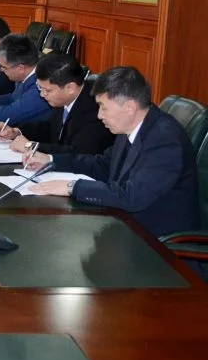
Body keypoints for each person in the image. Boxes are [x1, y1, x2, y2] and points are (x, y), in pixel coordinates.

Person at [26, 66, 200, 238]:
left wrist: (72, 187)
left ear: (130, 107)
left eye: (104, 107)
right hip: (125, 223)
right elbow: (102, 165)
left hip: (155, 240)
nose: (99, 115)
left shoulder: (165, 139)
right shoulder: (131, 126)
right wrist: (51, 160)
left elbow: (132, 196)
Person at [0, 52, 115, 155]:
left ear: (70, 88)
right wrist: (16, 131)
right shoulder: (63, 99)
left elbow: (78, 153)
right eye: (40, 88)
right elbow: (49, 129)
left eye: (47, 90)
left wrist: (30, 146)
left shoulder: (95, 108)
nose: (42, 95)